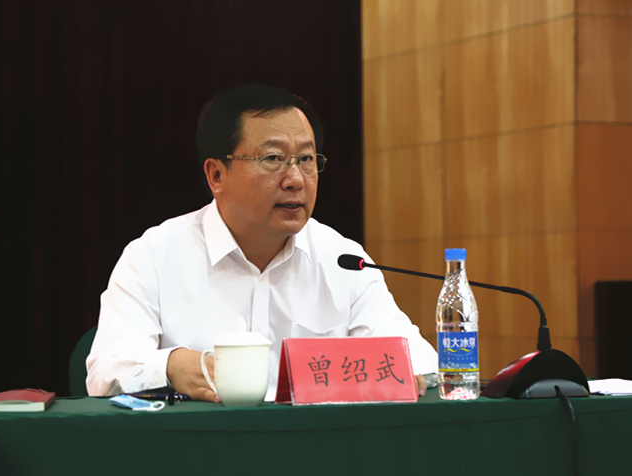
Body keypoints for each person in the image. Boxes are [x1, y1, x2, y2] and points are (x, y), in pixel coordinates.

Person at [86, 84, 437, 401]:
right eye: (273, 159)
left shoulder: (343, 260)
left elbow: (419, 361)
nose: (296, 179)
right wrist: (171, 366)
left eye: (306, 159)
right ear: (216, 175)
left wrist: (408, 373)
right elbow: (105, 370)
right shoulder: (154, 256)